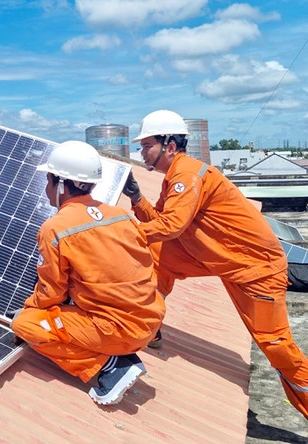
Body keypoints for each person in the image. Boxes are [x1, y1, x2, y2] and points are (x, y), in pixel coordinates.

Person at [123, 109, 308, 420]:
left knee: (275, 346)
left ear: (169, 146)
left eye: (147, 145)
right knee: (160, 254)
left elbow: (171, 226)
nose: (142, 152)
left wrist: (116, 231)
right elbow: (160, 225)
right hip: (223, 260)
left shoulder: (187, 175)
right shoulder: (175, 178)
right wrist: (138, 199)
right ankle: (149, 326)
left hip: (256, 271)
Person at [10, 141, 165, 406]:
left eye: (48, 180)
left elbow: (51, 292)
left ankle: (112, 366)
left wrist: (25, 310)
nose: (46, 189)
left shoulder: (55, 228)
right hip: (152, 318)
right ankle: (115, 353)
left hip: (118, 329)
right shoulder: (120, 215)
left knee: (26, 324)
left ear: (59, 183)